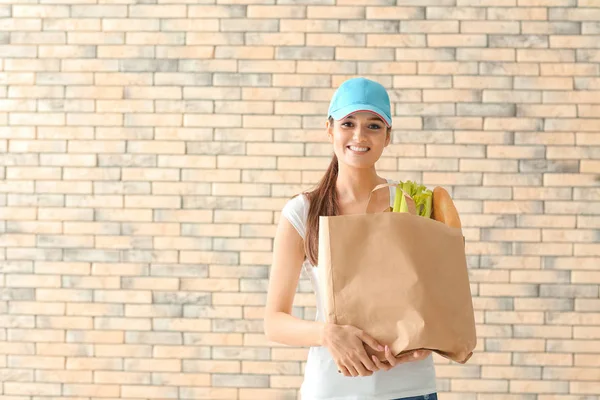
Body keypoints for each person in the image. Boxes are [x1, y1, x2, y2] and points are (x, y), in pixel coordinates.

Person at [264, 77, 438, 400]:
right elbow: (274, 321)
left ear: (388, 137)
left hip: (409, 388)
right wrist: (328, 335)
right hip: (333, 390)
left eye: (374, 125)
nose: (360, 136)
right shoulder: (302, 213)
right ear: (329, 129)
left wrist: (426, 340)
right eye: (348, 123)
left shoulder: (412, 203)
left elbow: (433, 301)